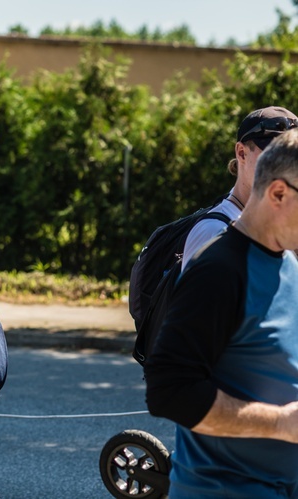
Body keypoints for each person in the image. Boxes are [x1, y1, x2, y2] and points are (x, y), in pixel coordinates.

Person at [144, 129, 298, 498]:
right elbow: (169, 391)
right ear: (278, 193)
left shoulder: (288, 263)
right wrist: (280, 423)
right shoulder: (219, 271)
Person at [181, 106, 298, 271]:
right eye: (272, 155)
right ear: (241, 153)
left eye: (292, 160)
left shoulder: (284, 228)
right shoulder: (213, 231)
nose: (284, 168)